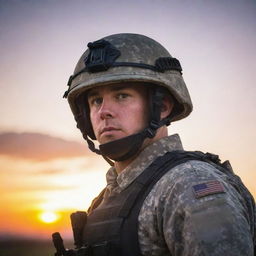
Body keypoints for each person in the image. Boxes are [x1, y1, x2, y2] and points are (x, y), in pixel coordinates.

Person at [63, 33, 255, 256]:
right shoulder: (106, 198)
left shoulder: (188, 184)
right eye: (96, 101)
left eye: (122, 96)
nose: (104, 111)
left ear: (162, 106)